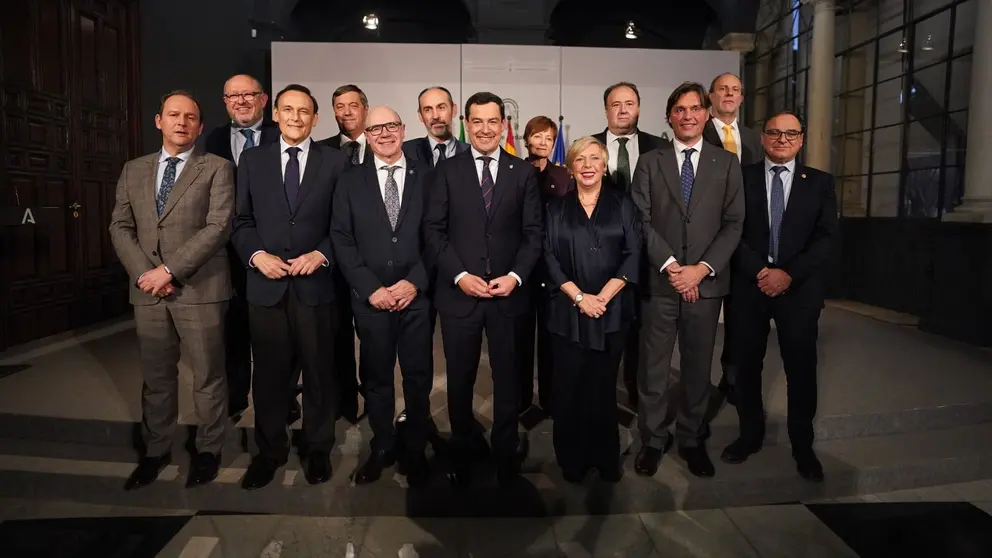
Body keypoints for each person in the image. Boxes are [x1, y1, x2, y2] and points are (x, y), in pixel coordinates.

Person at [109, 90, 234, 490]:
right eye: (174, 115)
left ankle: (209, 451)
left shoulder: (217, 168)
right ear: (158, 120)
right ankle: (156, 449)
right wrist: (146, 273)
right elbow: (119, 227)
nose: (182, 122)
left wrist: (169, 270)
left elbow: (218, 227)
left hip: (199, 288)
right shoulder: (133, 169)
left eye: (191, 117)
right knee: (156, 377)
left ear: (199, 126)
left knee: (208, 377)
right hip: (147, 290)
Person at [232, 84, 347, 490]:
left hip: (316, 284)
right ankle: (269, 451)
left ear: (316, 119)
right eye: (288, 110)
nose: (296, 117)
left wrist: (322, 254)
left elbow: (343, 225)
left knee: (319, 371)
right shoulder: (252, 159)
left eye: (305, 112)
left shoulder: (335, 163)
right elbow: (240, 220)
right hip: (265, 285)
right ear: (275, 114)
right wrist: (256, 256)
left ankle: (318, 449)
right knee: (267, 375)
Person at [425, 91, 543, 488]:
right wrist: (460, 275)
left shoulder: (522, 173)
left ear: (504, 124)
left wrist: (515, 277)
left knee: (509, 378)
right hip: (461, 295)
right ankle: (462, 448)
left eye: (493, 121)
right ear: (466, 124)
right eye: (477, 121)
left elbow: (533, 235)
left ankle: (506, 451)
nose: (485, 129)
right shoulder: (445, 171)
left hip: (509, 295)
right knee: (459, 379)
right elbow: (434, 231)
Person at [630, 81, 744, 478]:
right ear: (669, 117)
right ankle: (652, 439)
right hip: (661, 282)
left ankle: (692, 438)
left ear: (707, 113)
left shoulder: (727, 163)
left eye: (695, 108)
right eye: (680, 109)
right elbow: (640, 220)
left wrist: (700, 269)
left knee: (697, 368)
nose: (688, 115)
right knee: (654, 368)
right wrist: (672, 266)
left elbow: (734, 224)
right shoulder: (650, 162)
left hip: (707, 284)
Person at [721, 111, 838, 483]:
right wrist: (759, 270)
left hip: (798, 291)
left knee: (800, 370)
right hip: (749, 288)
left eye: (791, 133)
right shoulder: (740, 178)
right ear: (763, 138)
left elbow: (827, 237)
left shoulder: (820, 183)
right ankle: (750, 436)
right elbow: (730, 231)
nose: (782, 139)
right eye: (774, 132)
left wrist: (788, 274)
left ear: (801, 139)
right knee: (746, 367)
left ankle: (803, 446)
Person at [331, 106, 433, 487]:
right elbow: (341, 238)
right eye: (376, 128)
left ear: (403, 130)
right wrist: (370, 287)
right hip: (371, 299)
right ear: (366, 135)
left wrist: (415, 282)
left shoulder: (429, 177)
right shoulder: (350, 180)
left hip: (415, 298)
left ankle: (416, 448)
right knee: (375, 376)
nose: (384, 133)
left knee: (418, 376)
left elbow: (438, 236)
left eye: (391, 126)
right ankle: (383, 445)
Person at [543, 136, 641, 483]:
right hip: (567, 312)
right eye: (580, 159)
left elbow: (633, 253)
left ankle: (605, 459)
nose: (587, 165)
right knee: (569, 388)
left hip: (612, 311)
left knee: (602, 388)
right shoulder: (555, 208)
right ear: (570, 167)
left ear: (604, 165)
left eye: (594, 158)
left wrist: (604, 295)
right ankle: (572, 459)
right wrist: (580, 297)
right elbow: (548, 258)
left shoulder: (623, 204)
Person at [202, 74, 297, 423]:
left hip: (272, 252)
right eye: (233, 96)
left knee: (280, 335)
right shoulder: (213, 138)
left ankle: (284, 397)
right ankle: (236, 396)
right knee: (234, 329)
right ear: (225, 102)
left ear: (263, 99)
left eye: (249, 95)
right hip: (224, 253)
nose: (241, 101)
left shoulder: (282, 133)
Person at [591, 82, 666, 408]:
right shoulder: (589, 146)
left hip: (650, 253)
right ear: (606, 109)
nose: (623, 110)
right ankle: (601, 394)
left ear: (639, 107)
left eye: (629, 103)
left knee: (643, 332)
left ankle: (638, 393)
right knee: (604, 331)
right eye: (615, 104)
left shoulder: (659, 148)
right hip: (603, 257)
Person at [702, 72, 763, 406]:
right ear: (711, 96)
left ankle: (733, 377)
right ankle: (698, 383)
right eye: (722, 89)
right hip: (706, 237)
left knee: (740, 317)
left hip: (745, 238)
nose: (729, 94)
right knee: (704, 320)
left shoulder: (755, 138)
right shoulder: (699, 132)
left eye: (735, 90)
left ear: (742, 98)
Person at [319, 83, 371, 420]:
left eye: (353, 105)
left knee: (372, 337)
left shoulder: (386, 147)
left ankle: (375, 397)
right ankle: (345, 402)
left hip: (376, 263)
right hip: (334, 262)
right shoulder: (321, 151)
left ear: (365, 109)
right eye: (340, 106)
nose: (347, 112)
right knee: (337, 336)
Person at [517, 115, 573, 415]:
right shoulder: (515, 171)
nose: (542, 142)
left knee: (552, 339)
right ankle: (523, 398)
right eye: (537, 136)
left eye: (548, 138)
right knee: (522, 338)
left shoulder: (564, 177)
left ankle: (552, 398)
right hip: (523, 269)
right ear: (527, 139)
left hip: (554, 269)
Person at [402, 86, 470, 168]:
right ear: (420, 115)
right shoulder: (405, 152)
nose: (435, 116)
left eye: (441, 108)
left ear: (454, 110)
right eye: (428, 110)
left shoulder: (471, 152)